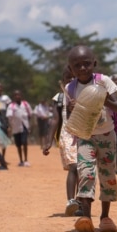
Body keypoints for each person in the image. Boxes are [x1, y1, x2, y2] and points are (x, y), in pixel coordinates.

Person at [64, 45, 117, 232]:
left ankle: (105, 217)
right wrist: (72, 108)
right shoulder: (70, 88)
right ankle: (86, 217)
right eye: (77, 65)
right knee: (86, 173)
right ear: (71, 69)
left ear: (94, 64)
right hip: (85, 137)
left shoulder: (104, 81)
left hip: (107, 135)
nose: (82, 68)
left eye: (86, 64)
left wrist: (103, 98)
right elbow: (68, 115)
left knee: (107, 176)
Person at [43, 66, 82, 217]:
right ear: (64, 81)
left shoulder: (86, 95)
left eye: (74, 78)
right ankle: (71, 201)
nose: (71, 81)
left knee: (83, 170)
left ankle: (81, 202)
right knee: (74, 166)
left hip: (84, 134)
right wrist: (48, 141)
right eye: (68, 78)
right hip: (67, 135)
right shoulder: (59, 98)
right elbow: (55, 119)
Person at [6, 90, 33, 167]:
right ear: (14, 97)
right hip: (16, 127)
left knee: (24, 142)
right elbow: (9, 117)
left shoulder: (25, 104)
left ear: (21, 96)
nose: (17, 96)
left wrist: (29, 124)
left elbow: (30, 114)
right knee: (18, 145)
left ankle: (26, 160)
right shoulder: (11, 106)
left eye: (19, 95)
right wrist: (10, 127)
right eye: (16, 95)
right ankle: (20, 160)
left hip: (24, 126)